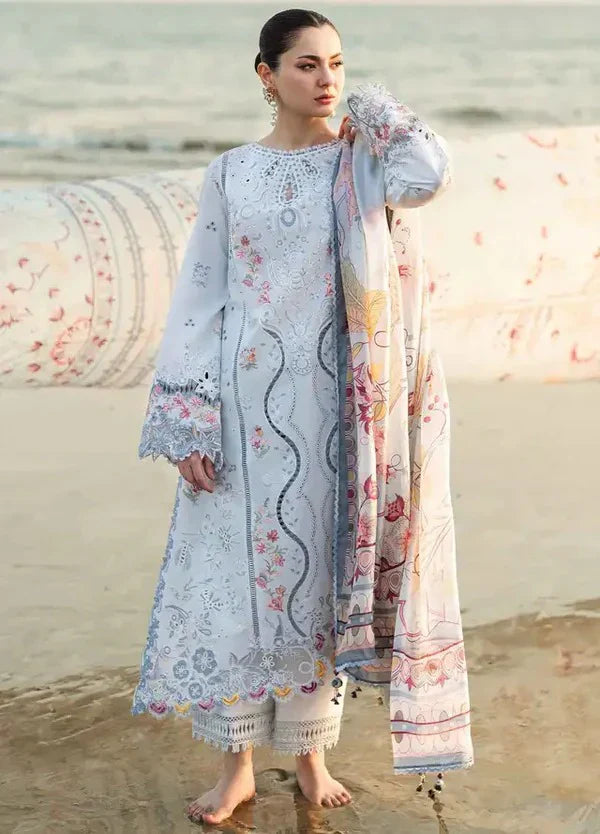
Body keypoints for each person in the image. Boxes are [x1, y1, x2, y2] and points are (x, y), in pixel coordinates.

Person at [132, 7, 471, 826]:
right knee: (237, 582)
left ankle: (313, 758)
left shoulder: (364, 165)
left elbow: (429, 175)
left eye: (337, 64)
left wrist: (381, 115)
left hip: (339, 412)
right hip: (242, 405)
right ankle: (235, 768)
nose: (326, 81)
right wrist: (189, 418)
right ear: (266, 75)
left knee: (323, 579)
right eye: (307, 65)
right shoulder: (230, 173)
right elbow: (201, 295)